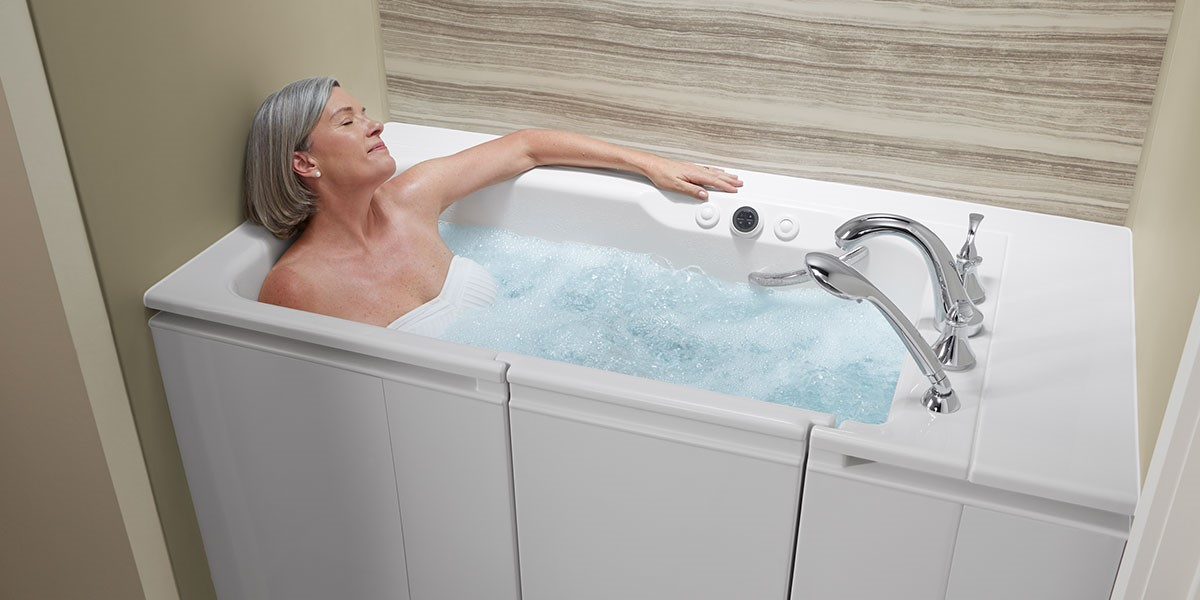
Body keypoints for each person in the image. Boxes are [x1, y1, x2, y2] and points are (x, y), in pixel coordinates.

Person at [244, 76, 742, 333]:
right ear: (305, 164)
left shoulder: (410, 200)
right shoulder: (296, 287)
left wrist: (647, 164)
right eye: (348, 122)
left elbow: (526, 146)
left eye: (366, 114)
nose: (374, 125)